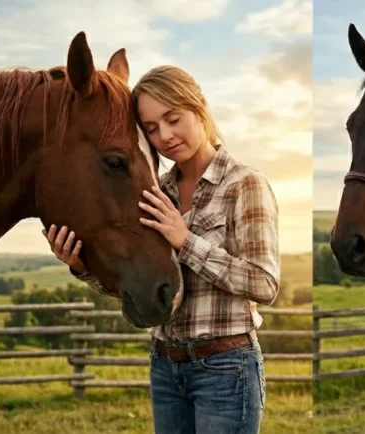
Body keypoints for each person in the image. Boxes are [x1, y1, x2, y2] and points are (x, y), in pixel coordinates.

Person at [44, 65, 280, 434]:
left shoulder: (244, 184)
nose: (165, 136)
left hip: (226, 368)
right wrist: (82, 267)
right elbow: (145, 286)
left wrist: (185, 241)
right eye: (151, 128)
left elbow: (264, 283)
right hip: (166, 366)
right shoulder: (157, 192)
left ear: (198, 108)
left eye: (173, 119)